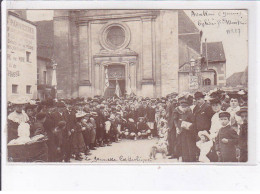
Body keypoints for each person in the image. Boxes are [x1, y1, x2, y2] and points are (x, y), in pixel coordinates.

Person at [173, 96, 196, 162]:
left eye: (185, 107)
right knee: (181, 144)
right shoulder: (178, 111)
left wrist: (188, 126)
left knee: (189, 145)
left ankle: (190, 159)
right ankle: (183, 158)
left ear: (188, 107)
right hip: (181, 131)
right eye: (182, 107)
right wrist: (177, 127)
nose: (183, 109)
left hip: (189, 132)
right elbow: (175, 120)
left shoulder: (190, 113)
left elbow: (193, 122)